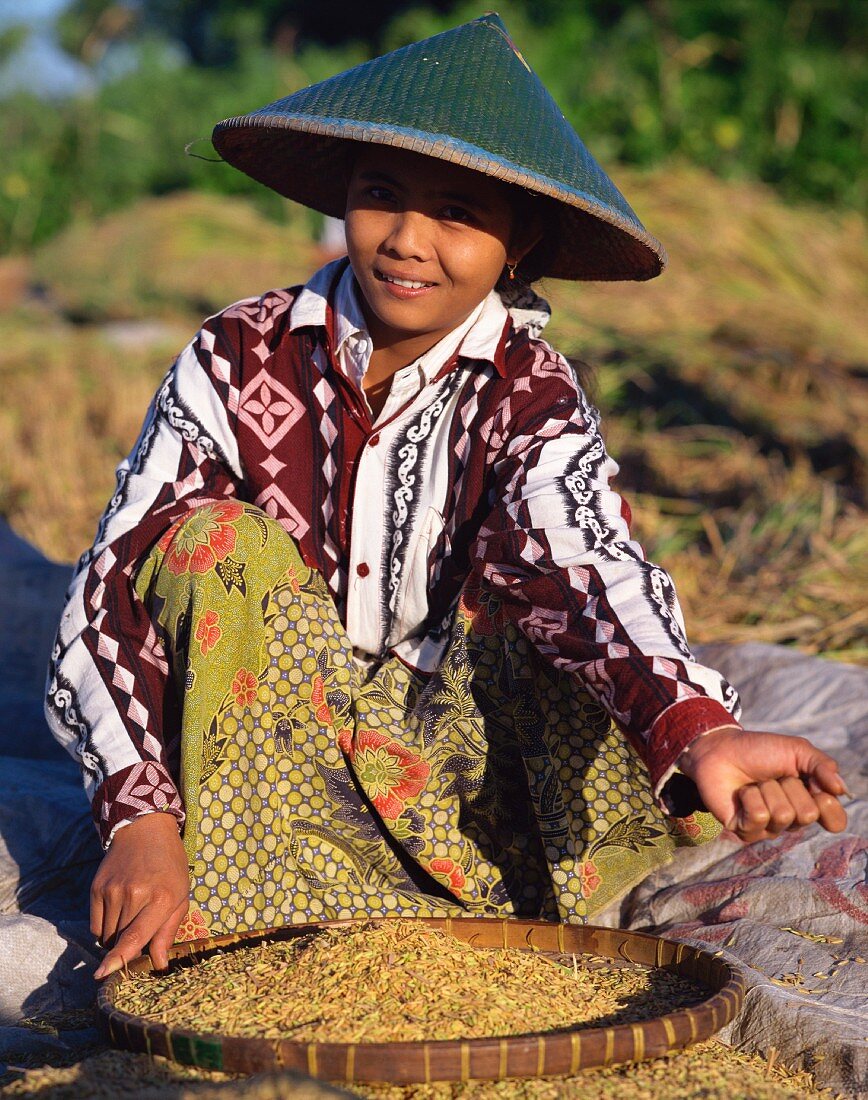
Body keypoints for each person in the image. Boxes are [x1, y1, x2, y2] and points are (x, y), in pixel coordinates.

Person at [45, 13, 847, 982]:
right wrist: (141, 818)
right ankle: (280, 893)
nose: (409, 242)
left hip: (462, 754)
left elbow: (578, 559)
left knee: (544, 610)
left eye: (459, 212)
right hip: (272, 740)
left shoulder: (529, 385)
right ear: (344, 196)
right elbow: (111, 592)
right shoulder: (237, 351)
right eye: (382, 196)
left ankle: (441, 883)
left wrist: (697, 729)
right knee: (210, 541)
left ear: (520, 242)